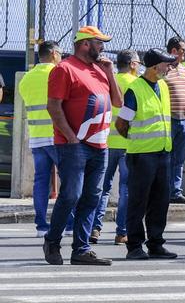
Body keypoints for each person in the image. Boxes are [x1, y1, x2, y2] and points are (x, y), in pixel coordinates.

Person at [43, 26, 124, 266]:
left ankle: (81, 249)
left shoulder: (100, 70)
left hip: (100, 145)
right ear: (85, 44)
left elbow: (117, 101)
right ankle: (52, 241)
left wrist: (109, 72)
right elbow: (54, 106)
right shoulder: (64, 69)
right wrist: (70, 136)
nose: (103, 47)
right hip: (74, 144)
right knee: (71, 195)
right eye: (99, 43)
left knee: (92, 197)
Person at [114, 48, 178, 260]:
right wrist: (135, 141)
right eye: (166, 64)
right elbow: (121, 123)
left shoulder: (163, 86)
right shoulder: (135, 89)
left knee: (160, 201)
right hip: (142, 155)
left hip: (162, 152)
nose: (169, 67)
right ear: (154, 67)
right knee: (138, 201)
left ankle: (156, 243)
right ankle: (134, 246)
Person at [93, 49, 139, 245]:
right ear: (133, 64)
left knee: (102, 188)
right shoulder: (136, 85)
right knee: (126, 189)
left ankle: (94, 229)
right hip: (129, 143)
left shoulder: (106, 81)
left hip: (107, 142)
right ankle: (122, 232)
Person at [19, 41, 63, 238]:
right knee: (69, 180)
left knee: (41, 181)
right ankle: (68, 223)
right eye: (60, 54)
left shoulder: (26, 79)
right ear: (54, 54)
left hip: (36, 137)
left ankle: (41, 226)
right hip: (57, 135)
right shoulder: (57, 74)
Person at [163, 37, 185, 206]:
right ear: (174, 51)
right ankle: (165, 190)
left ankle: (176, 191)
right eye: (183, 50)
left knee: (179, 159)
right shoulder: (164, 69)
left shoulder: (184, 70)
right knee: (167, 157)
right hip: (170, 120)